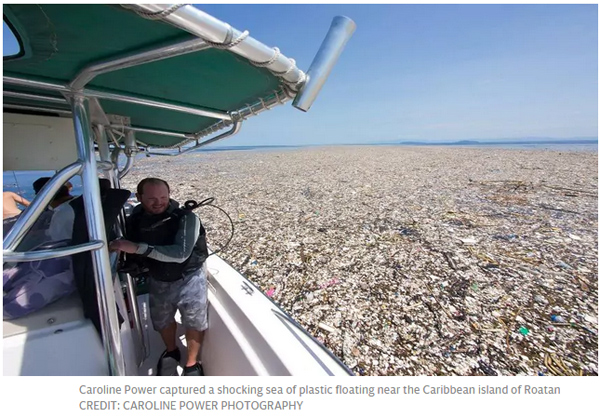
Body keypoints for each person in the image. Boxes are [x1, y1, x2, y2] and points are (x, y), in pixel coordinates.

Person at [109, 178, 209, 376]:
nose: (159, 202)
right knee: (162, 320)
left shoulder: (187, 218)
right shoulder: (136, 217)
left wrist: (138, 249)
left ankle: (191, 363)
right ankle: (171, 351)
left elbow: (181, 253)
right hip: (158, 276)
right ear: (139, 198)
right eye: (152, 198)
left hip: (189, 278)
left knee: (194, 321)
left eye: (163, 197)